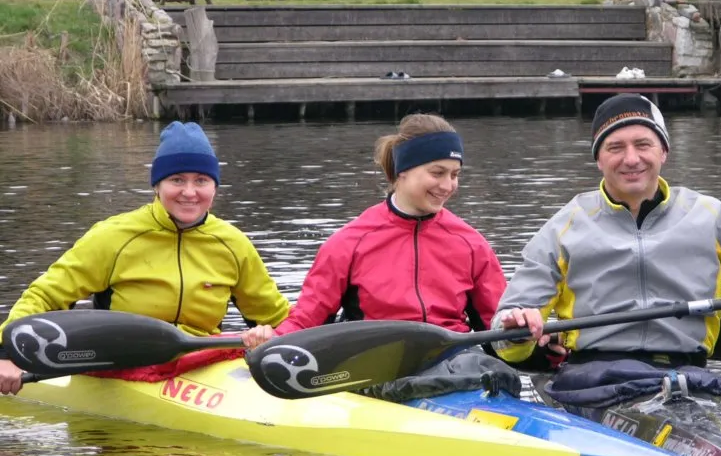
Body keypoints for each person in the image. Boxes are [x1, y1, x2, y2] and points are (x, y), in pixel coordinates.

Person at [490, 93, 721, 368]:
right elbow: (507, 337)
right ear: (599, 159)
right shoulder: (563, 227)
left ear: (663, 151)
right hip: (592, 377)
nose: (631, 159)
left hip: (687, 377)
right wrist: (519, 325)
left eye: (643, 144)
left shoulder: (707, 214)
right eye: (615, 147)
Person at [0, 121, 291, 396]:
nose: (189, 192)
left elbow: (277, 316)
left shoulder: (233, 243)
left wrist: (280, 339)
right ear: (157, 185)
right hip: (121, 361)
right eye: (177, 179)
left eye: (201, 180)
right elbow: (46, 295)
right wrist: (8, 354)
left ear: (214, 186)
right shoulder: (114, 236)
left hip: (202, 360)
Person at [241, 113, 508, 349]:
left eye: (455, 174)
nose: (448, 185)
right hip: (373, 364)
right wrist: (272, 339)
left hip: (455, 359)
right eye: (437, 173)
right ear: (402, 171)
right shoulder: (350, 242)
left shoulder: (472, 244)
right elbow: (308, 320)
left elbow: (497, 327)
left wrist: (532, 340)